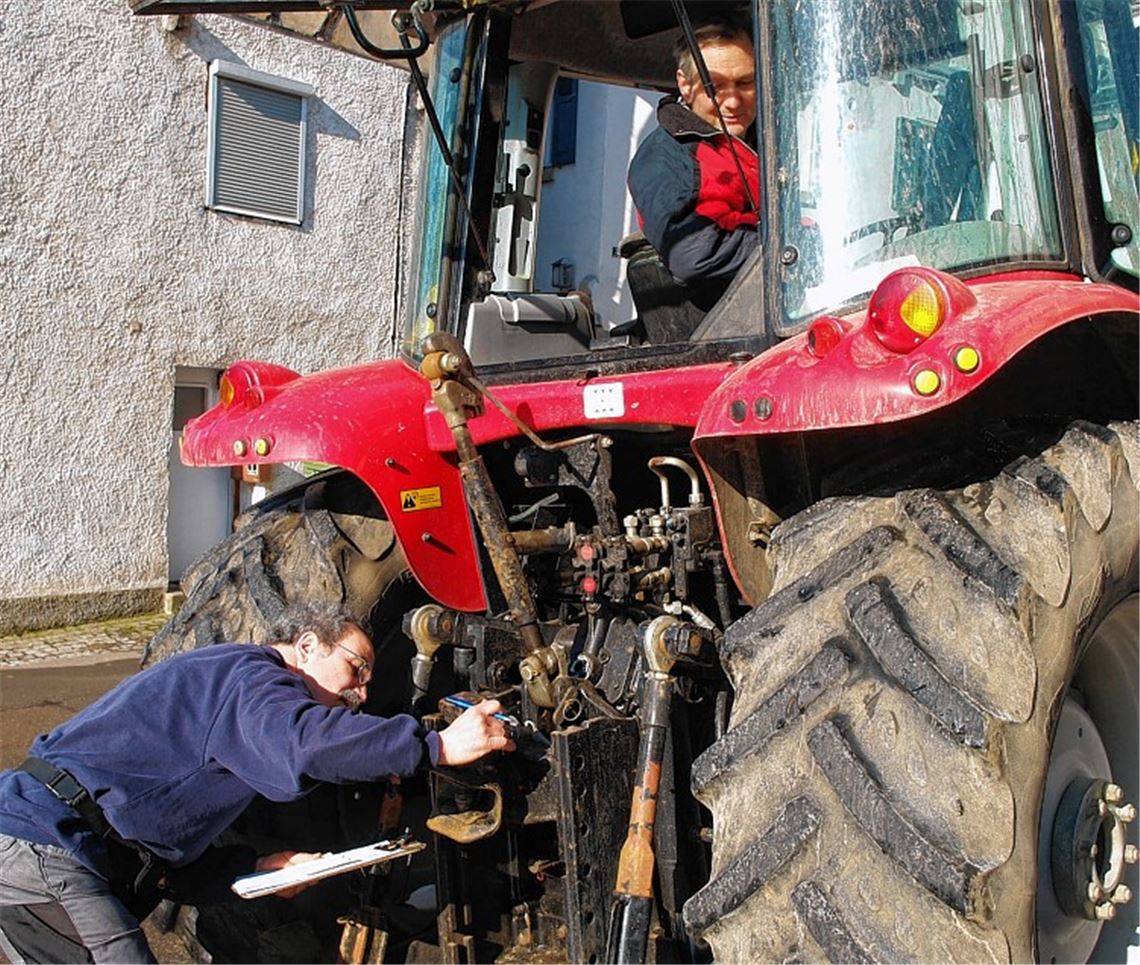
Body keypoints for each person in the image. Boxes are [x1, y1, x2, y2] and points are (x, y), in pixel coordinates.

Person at [0, 601, 515, 963]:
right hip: (47, 844)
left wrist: (257, 867)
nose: (361, 693)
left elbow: (159, 857)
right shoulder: (253, 676)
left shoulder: (231, 699)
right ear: (307, 645)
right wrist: (437, 746)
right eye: (356, 668)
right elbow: (304, 743)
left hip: (46, 851)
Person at [627, 16, 760, 305]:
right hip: (727, 324)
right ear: (685, 85)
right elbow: (694, 255)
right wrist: (795, 248)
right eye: (715, 86)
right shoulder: (667, 157)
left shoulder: (767, 141)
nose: (734, 101)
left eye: (745, 82)